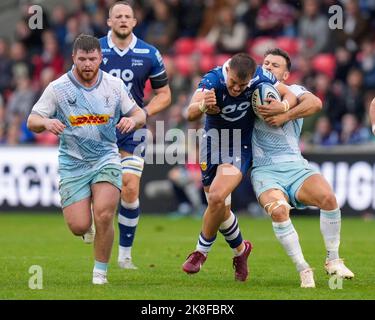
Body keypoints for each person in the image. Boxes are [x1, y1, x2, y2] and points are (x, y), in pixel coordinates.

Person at [27, 34, 146, 285]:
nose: (88, 64)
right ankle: (85, 226)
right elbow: (32, 121)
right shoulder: (58, 88)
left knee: (104, 215)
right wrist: (47, 121)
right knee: (79, 226)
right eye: (82, 59)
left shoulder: (114, 86)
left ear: (100, 58)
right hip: (73, 163)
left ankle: (100, 274)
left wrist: (132, 120)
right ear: (74, 58)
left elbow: (139, 114)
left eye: (92, 59)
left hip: (106, 158)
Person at [182, 52, 297, 281]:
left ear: (251, 78)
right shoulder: (213, 79)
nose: (236, 89)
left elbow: (290, 94)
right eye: (233, 82)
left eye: (241, 85)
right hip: (212, 143)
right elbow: (189, 112)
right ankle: (241, 251)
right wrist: (204, 104)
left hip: (238, 146)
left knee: (216, 198)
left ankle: (200, 252)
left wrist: (282, 106)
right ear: (227, 72)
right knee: (221, 209)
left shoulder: (261, 78)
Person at [251, 48, 354, 288]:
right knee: (278, 210)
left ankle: (333, 260)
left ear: (286, 75)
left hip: (296, 166)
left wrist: (285, 113)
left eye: (275, 65)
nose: (268, 67)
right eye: (265, 63)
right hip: (265, 170)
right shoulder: (251, 92)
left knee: (328, 198)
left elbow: (315, 103)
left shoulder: (295, 91)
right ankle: (303, 268)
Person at [99, 1, 171, 270]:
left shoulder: (149, 53)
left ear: (135, 21)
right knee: (100, 193)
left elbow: (165, 94)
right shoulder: (94, 50)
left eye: (127, 16)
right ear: (109, 22)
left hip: (133, 131)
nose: (122, 20)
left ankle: (125, 255)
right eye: (117, 16)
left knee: (129, 186)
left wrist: (143, 113)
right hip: (96, 130)